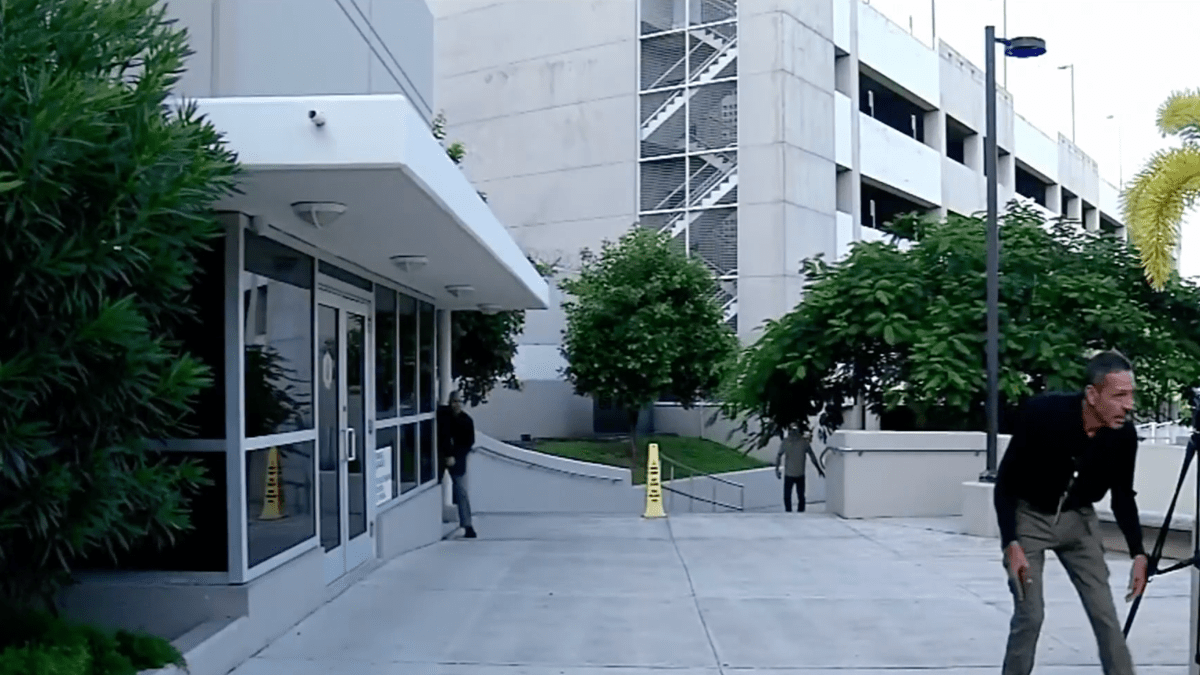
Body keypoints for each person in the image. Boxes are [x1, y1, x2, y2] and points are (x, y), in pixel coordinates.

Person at [993, 350, 1147, 675]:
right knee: (1030, 614)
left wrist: (1138, 553)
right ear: (1092, 395)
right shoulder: (1043, 414)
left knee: (1105, 615)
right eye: (1119, 396)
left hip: (1079, 522)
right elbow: (1004, 483)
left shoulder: (1123, 437)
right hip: (1029, 520)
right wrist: (1012, 544)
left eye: (1130, 395)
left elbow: (1122, 496)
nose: (1128, 405)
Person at [445, 391, 477, 539]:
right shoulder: (444, 418)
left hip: (458, 460)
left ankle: (467, 525)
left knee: (461, 491)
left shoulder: (466, 421)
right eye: (454, 401)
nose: (456, 404)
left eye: (459, 401)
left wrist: (454, 456)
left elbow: (469, 442)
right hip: (442, 459)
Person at [775, 428, 817, 512]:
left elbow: (812, 456)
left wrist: (777, 469)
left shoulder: (799, 442)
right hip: (794, 473)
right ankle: (792, 511)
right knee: (796, 495)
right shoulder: (797, 442)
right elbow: (812, 455)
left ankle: (793, 511)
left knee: (796, 496)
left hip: (795, 474)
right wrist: (777, 469)